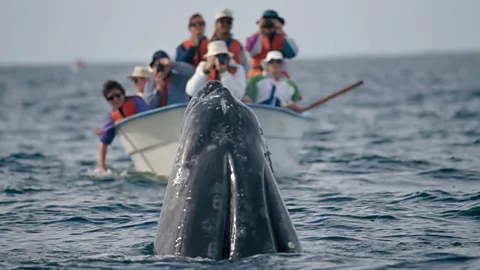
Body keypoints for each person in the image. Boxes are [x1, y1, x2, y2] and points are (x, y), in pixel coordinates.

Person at [95, 80, 151, 171]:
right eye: (111, 98)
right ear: (107, 101)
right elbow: (103, 142)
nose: (115, 99)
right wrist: (102, 166)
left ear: (123, 94)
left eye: (118, 95)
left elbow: (149, 117)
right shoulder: (113, 116)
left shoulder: (135, 102)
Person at [245, 10, 299, 79]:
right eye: (266, 21)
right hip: (258, 75)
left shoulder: (282, 38)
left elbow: (292, 53)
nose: (269, 25)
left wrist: (281, 31)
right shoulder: (257, 38)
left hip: (277, 76)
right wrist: (260, 30)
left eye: (273, 22)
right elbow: (250, 50)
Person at [210, 8, 251, 75]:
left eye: (228, 22)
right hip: (213, 82)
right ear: (216, 24)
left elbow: (245, 65)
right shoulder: (209, 44)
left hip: (233, 81)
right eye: (222, 22)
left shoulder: (238, 45)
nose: (225, 24)